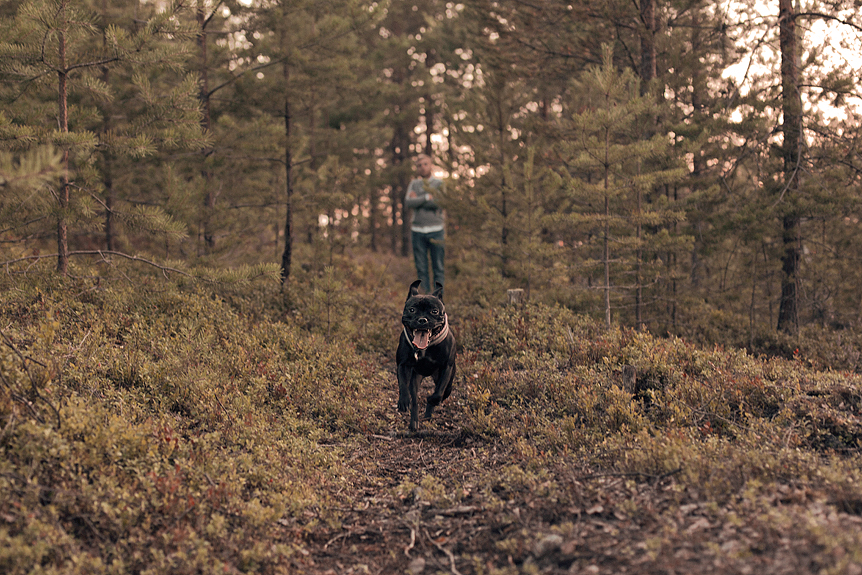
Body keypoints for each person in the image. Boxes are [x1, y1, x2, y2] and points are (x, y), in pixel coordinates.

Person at [405, 154, 446, 295]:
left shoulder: (439, 184)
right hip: (417, 231)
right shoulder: (414, 184)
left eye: (425, 164)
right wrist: (427, 197)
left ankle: (438, 301)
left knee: (438, 267)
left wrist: (419, 200)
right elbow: (408, 203)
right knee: (421, 269)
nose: (422, 167)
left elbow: (439, 202)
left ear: (431, 165)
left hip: (437, 231)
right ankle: (424, 300)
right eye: (419, 165)